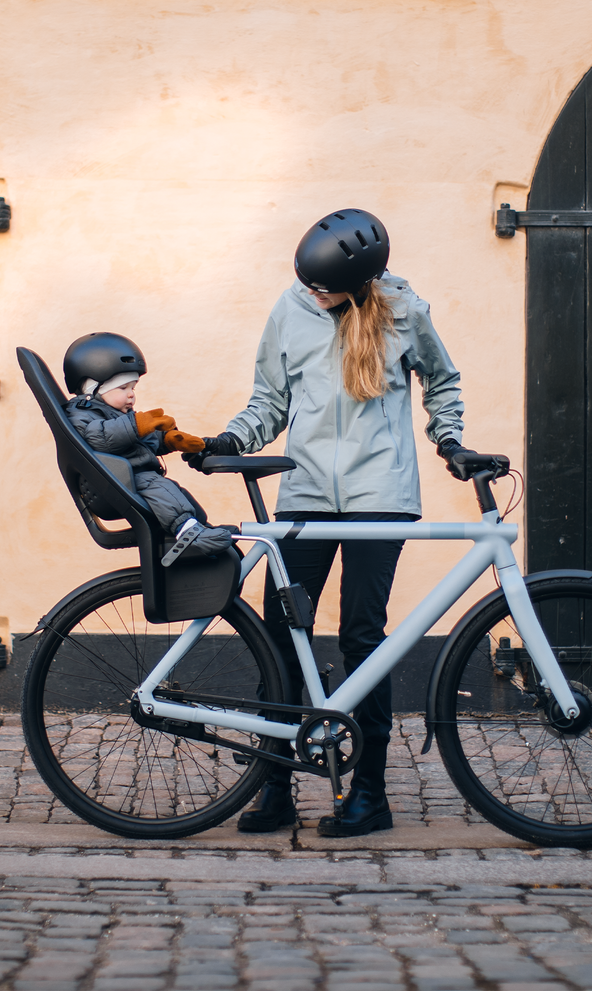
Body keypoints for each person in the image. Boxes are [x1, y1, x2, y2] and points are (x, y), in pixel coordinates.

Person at [189, 209, 471, 837]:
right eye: (309, 284)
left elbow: (443, 383)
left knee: (362, 639)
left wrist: (448, 441)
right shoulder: (290, 309)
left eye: (326, 287)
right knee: (280, 633)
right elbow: (270, 399)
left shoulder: (403, 310)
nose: (315, 295)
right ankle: (276, 786)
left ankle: (371, 795)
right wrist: (231, 439)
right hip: (305, 493)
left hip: (381, 494)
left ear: (362, 279)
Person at [63, 332, 233, 557]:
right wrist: (137, 424)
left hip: (132, 476)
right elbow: (100, 438)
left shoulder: (114, 413)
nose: (132, 395)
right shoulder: (82, 413)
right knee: (161, 488)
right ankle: (189, 534)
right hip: (115, 481)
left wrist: (168, 440)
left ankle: (199, 529)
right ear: (93, 386)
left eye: (133, 388)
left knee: (176, 492)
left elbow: (139, 440)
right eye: (123, 388)